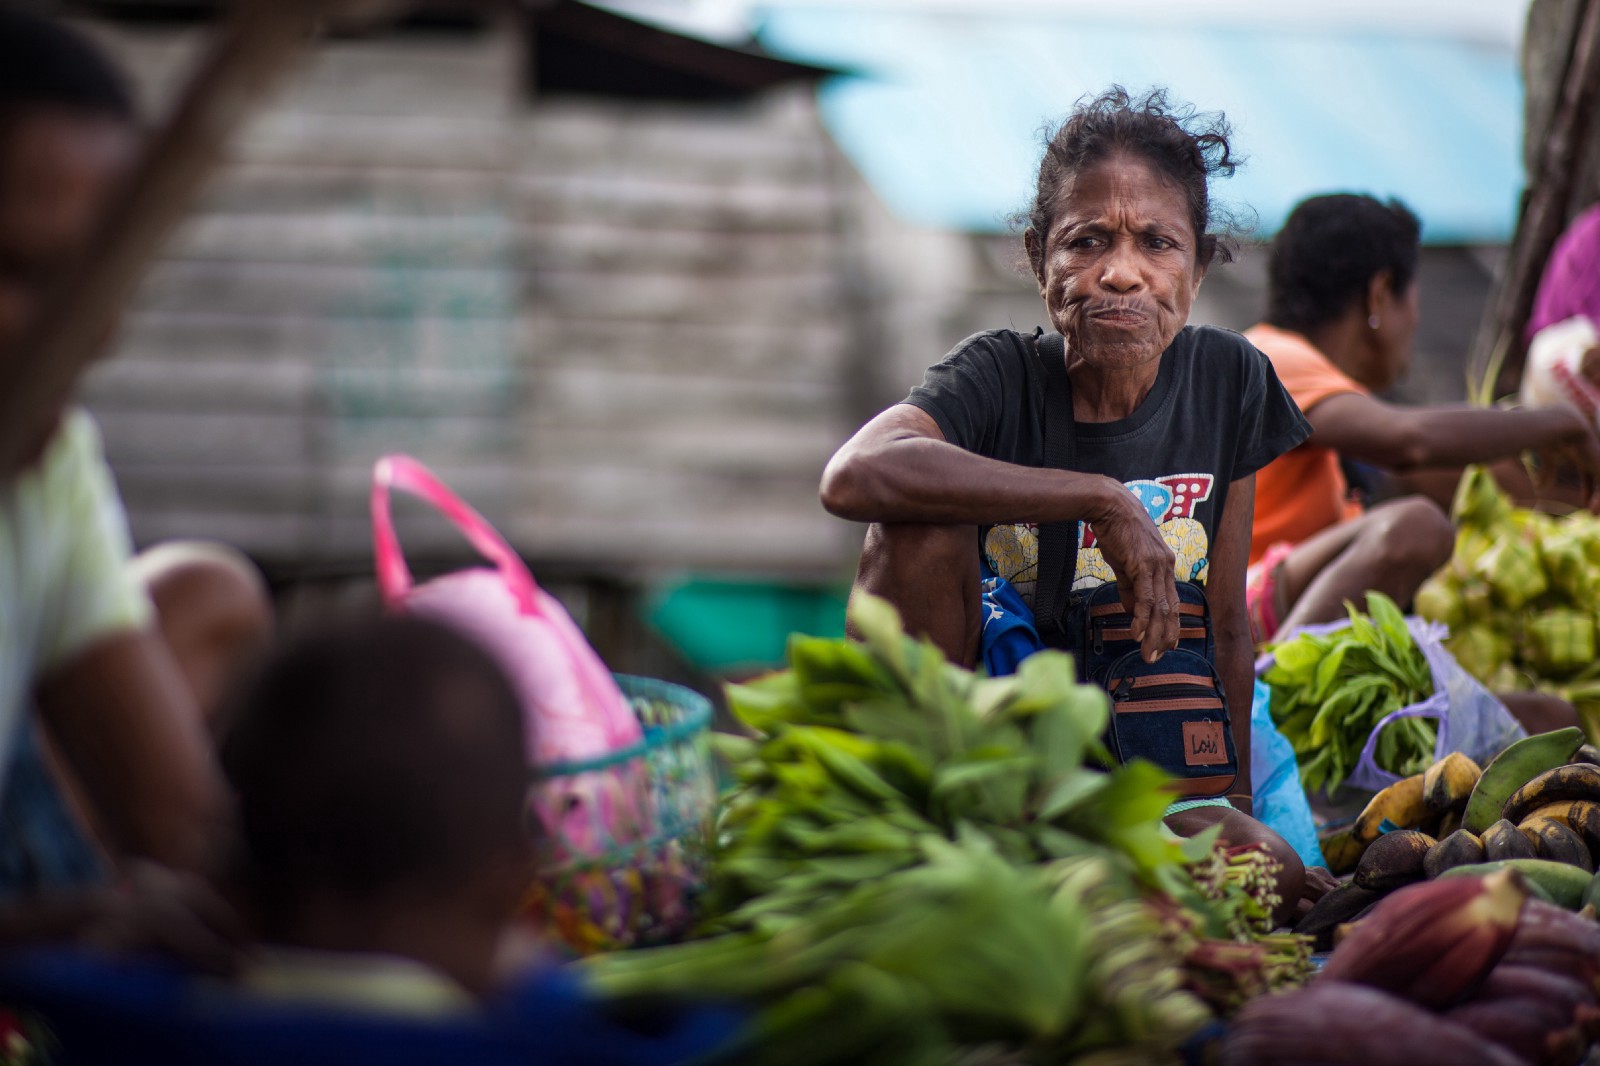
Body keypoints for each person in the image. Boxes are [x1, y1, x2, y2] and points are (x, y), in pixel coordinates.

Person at [819, 87, 1313, 905]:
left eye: (1158, 242)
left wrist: (1229, 800)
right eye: (1088, 241)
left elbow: (1228, 619)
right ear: (1040, 257)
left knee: (1275, 876)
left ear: (1196, 265)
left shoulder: (1230, 382)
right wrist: (1099, 498)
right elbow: (854, 475)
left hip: (1148, 746)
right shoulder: (998, 375)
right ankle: (921, 823)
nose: (1121, 271)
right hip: (992, 751)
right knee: (917, 523)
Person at [0, 614, 742, 1066]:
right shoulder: (556, 1044)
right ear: (510, 883)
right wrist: (536, 981)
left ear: (224, 868)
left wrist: (61, 922)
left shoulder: (108, 1020)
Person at [0, 7, 268, 940]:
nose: (92, 337)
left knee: (212, 595)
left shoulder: (45, 463)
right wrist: (53, 931)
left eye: (98, 284)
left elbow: (181, 829)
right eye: (23, 272)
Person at [1243, 194, 1600, 647]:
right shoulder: (1272, 357)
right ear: (1380, 294)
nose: (1415, 318)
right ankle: (1264, 692)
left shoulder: (1322, 408)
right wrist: (1559, 421)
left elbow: (1436, 459)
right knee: (1415, 527)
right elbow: (1410, 440)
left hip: (1276, 607)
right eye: (1413, 298)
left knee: (1548, 712)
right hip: (1240, 613)